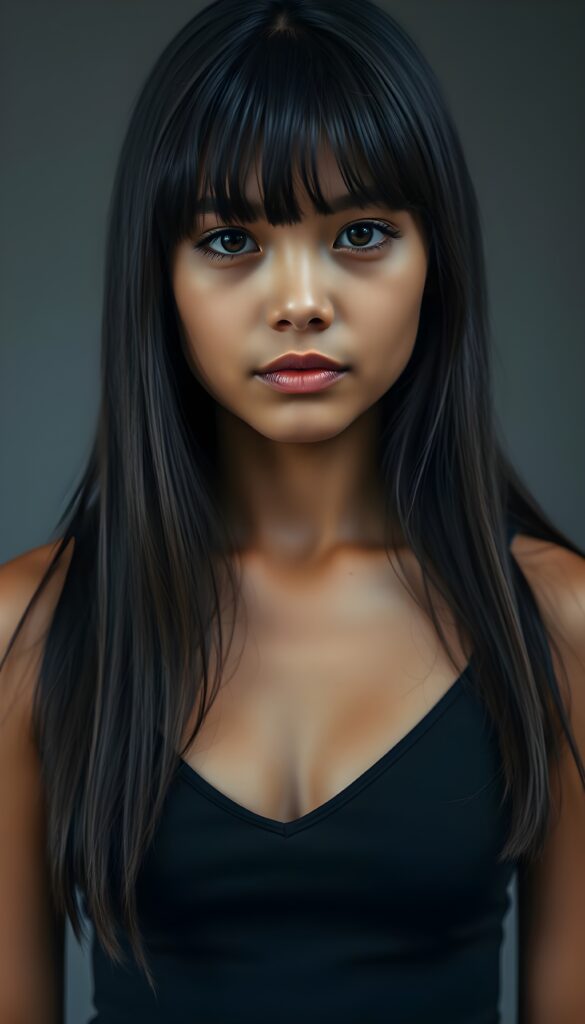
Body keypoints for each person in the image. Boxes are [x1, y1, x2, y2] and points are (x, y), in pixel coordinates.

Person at [1, 1, 584, 1021]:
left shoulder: (560, 624)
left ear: (434, 261)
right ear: (158, 278)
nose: (302, 298)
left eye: (361, 232)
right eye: (231, 238)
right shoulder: (29, 632)